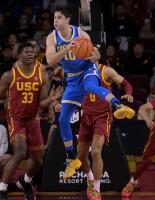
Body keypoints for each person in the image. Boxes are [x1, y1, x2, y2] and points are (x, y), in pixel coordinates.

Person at [46, 7, 134, 179]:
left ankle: (118, 105)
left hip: (88, 70)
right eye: (54, 18)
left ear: (67, 20)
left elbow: (96, 54)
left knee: (91, 87)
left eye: (58, 18)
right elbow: (50, 60)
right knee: (63, 119)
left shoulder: (81, 34)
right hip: (72, 78)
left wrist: (93, 57)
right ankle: (72, 158)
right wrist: (67, 49)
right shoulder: (52, 37)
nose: (55, 21)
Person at [0, 42, 63, 200]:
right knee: (20, 152)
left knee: (38, 160)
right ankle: (1, 191)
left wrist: (49, 105)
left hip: (32, 117)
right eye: (27, 52)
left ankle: (26, 181)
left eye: (33, 52)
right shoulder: (10, 75)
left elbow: (42, 102)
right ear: (19, 55)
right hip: (16, 117)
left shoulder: (41, 72)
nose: (31, 54)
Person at [77, 62, 134, 200]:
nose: (90, 54)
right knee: (81, 156)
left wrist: (128, 93)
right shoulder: (77, 70)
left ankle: (96, 189)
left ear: (97, 55)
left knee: (96, 151)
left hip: (103, 115)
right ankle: (90, 178)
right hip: (86, 115)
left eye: (93, 51)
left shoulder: (106, 71)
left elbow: (126, 83)